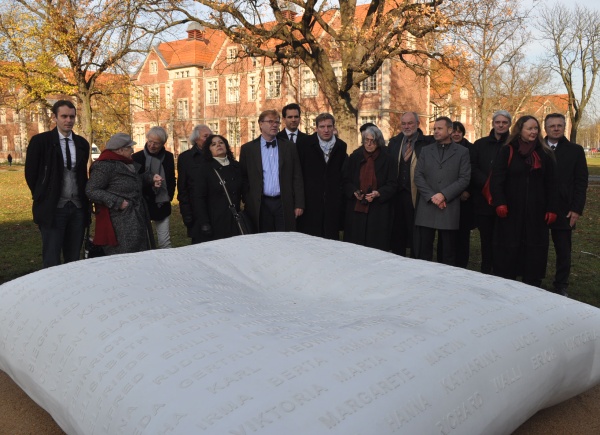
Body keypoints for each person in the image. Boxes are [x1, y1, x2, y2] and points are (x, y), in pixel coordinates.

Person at [490, 115, 558, 287]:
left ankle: (532, 284)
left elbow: (552, 184)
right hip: (511, 212)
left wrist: (552, 208)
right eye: (530, 128)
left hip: (536, 213)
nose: (534, 131)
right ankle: (507, 284)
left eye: (536, 128)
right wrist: (500, 202)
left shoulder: (545, 153)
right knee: (509, 249)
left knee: (534, 251)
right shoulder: (507, 150)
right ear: (520, 130)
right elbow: (497, 180)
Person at [24, 100, 90, 268]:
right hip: (53, 208)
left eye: (72, 117)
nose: (68, 120)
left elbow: (82, 174)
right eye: (64, 116)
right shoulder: (40, 142)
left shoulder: (82, 143)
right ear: (54, 117)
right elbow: (31, 174)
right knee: (52, 258)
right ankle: (52, 292)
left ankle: (72, 290)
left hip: (77, 209)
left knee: (73, 258)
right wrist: (43, 195)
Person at [86, 133, 162, 256]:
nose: (132, 150)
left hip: (136, 218)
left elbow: (133, 181)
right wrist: (118, 202)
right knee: (124, 258)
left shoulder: (126, 163)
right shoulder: (104, 166)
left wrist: (150, 178)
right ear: (120, 150)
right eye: (129, 148)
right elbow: (91, 190)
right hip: (119, 222)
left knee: (139, 256)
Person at [413, 117, 471, 265]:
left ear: (450, 130)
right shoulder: (426, 151)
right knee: (424, 250)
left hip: (449, 207)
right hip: (427, 206)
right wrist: (432, 196)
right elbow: (418, 175)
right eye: (434, 129)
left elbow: (464, 178)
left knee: (448, 252)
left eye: (439, 128)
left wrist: (444, 195)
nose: (435, 132)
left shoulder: (462, 152)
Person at [544, 113, 588, 296]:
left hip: (564, 209)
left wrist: (576, 209)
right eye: (552, 125)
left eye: (559, 125)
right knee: (536, 246)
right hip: (538, 206)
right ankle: (533, 277)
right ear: (545, 128)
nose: (555, 128)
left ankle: (561, 284)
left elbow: (581, 181)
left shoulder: (575, 150)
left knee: (563, 249)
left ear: (564, 127)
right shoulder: (535, 148)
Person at [239, 109, 304, 232]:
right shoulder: (248, 149)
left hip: (284, 203)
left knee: (285, 238)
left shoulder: (288, 147)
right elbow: (243, 177)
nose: (274, 125)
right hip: (260, 204)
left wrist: (299, 204)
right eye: (270, 122)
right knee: (264, 240)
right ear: (260, 124)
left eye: (277, 122)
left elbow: (297, 176)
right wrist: (248, 199)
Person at [387, 111, 434, 256]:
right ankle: (398, 261)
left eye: (410, 123)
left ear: (418, 124)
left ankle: (417, 262)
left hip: (418, 196)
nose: (407, 126)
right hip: (397, 195)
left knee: (417, 235)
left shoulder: (427, 143)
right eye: (404, 123)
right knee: (398, 233)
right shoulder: (394, 143)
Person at [342, 125, 397, 250]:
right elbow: (346, 180)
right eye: (366, 140)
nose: (369, 144)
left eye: (372, 141)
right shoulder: (355, 157)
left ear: (379, 142)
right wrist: (353, 191)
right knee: (355, 246)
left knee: (375, 245)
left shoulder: (388, 159)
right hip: (357, 209)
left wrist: (378, 193)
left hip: (378, 211)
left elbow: (392, 184)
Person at [471, 110, 512, 274]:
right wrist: (487, 184)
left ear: (509, 124)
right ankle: (486, 268)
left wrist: (498, 187)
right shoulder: (480, 144)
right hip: (484, 199)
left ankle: (502, 269)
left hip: (505, 199)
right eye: (498, 122)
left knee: (503, 238)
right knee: (486, 238)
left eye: (504, 122)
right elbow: (472, 167)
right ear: (493, 123)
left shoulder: (513, 143)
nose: (501, 125)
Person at [296, 113, 348, 240]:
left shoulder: (341, 146)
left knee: (331, 238)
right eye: (322, 126)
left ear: (333, 127)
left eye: (329, 126)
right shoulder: (304, 144)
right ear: (316, 128)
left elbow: (342, 174)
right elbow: (299, 174)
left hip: (332, 201)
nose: (326, 130)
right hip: (311, 201)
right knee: (312, 239)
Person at [189, 135, 243, 241]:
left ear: (226, 146)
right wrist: (204, 222)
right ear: (209, 149)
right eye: (213, 144)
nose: (218, 145)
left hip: (234, 219)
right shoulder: (205, 169)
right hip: (215, 220)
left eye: (221, 142)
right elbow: (199, 198)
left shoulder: (236, 166)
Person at [132, 127, 176, 249]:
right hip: (143, 204)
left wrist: (169, 196)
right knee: (145, 243)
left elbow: (171, 179)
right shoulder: (136, 157)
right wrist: (150, 182)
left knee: (164, 242)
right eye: (150, 141)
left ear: (163, 144)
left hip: (162, 203)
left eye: (156, 143)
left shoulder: (168, 157)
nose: (151, 145)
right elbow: (134, 182)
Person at [444, 121, 475, 268]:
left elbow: (473, 172)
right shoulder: (445, 148)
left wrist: (467, 190)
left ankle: (462, 263)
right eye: (453, 131)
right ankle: (446, 261)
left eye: (459, 131)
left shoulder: (471, 149)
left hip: (465, 198)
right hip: (448, 196)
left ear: (463, 133)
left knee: (463, 233)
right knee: (447, 233)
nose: (456, 134)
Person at [178, 124, 212, 243]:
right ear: (196, 139)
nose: (209, 139)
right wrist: (186, 213)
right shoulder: (185, 158)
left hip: (216, 210)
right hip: (196, 211)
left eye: (211, 136)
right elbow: (182, 188)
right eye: (205, 136)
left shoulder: (217, 155)